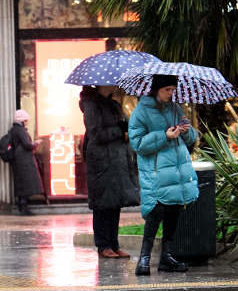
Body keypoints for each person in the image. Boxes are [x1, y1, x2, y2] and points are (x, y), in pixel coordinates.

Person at [128, 74, 199, 276]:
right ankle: (144, 259)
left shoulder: (176, 109)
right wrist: (164, 136)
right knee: (154, 213)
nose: (170, 93)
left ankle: (166, 257)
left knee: (174, 212)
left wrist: (186, 130)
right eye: (166, 89)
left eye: (172, 89)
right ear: (156, 89)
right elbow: (138, 144)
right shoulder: (141, 112)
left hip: (177, 172)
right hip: (156, 172)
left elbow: (190, 138)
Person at [80, 86, 140, 259]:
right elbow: (96, 134)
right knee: (102, 204)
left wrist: (126, 126)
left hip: (116, 161)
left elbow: (126, 126)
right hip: (101, 162)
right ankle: (103, 245)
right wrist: (119, 131)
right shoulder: (91, 105)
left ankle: (114, 244)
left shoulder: (114, 105)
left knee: (115, 203)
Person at [10, 109, 43, 216]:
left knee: (21, 183)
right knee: (26, 183)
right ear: (23, 120)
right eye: (26, 120)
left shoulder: (14, 130)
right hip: (24, 159)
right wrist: (36, 144)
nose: (27, 122)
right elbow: (27, 145)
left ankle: (22, 205)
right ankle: (24, 207)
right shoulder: (20, 130)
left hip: (18, 159)